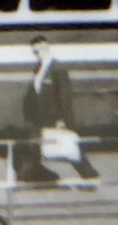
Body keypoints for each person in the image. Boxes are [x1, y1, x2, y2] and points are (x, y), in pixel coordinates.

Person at [13, 37, 81, 183]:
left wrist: (62, 119)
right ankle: (32, 173)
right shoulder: (39, 68)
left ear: (46, 48)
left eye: (38, 51)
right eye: (34, 52)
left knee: (67, 147)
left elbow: (65, 96)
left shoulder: (57, 68)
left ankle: (90, 175)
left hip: (53, 116)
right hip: (38, 116)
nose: (37, 55)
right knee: (35, 145)